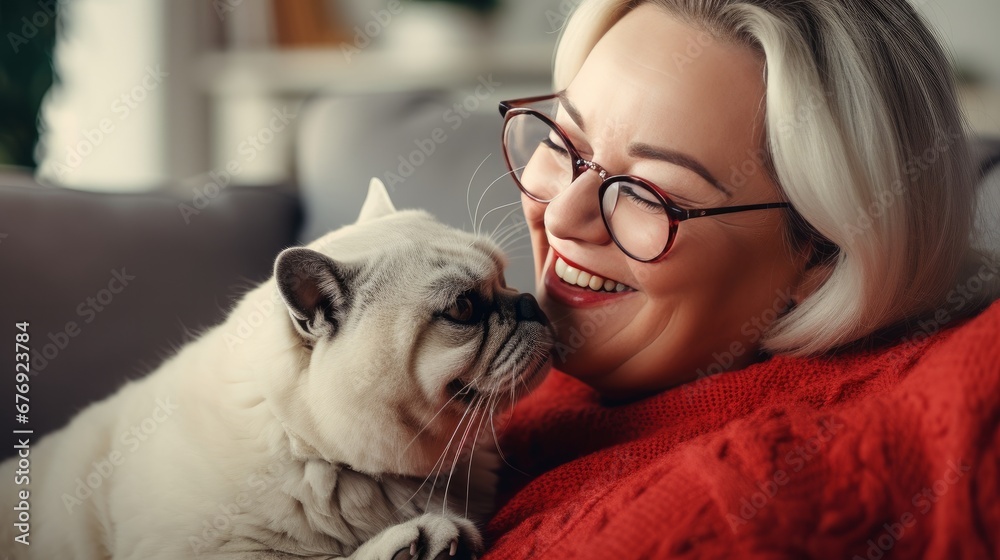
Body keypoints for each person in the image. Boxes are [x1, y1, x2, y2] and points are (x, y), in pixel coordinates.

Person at [481, 0, 1000, 557]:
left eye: (646, 192)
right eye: (564, 143)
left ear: (822, 254)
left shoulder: (748, 498)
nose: (559, 216)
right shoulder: (534, 366)